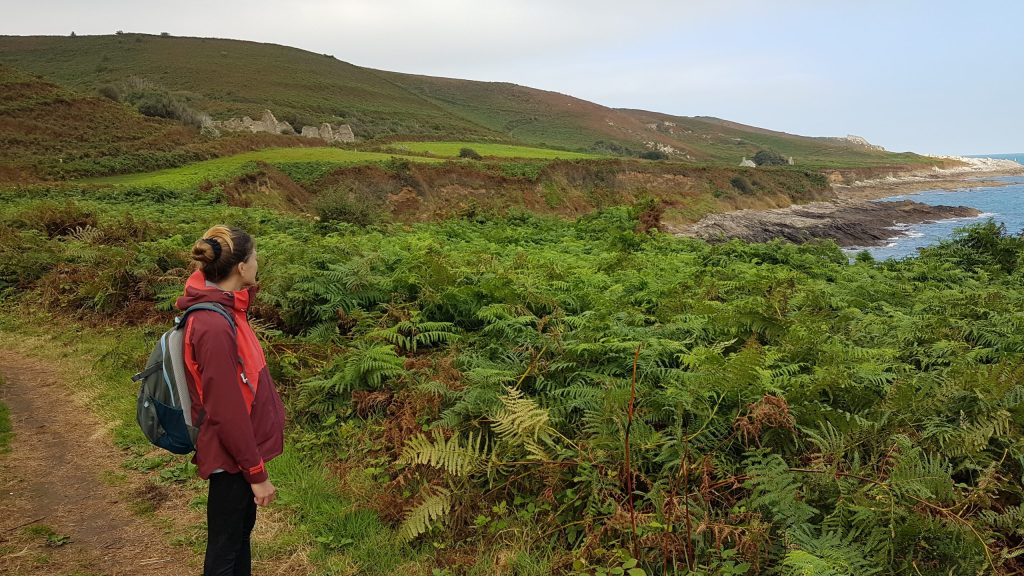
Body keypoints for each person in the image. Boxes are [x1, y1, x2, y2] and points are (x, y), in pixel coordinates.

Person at [176, 225, 286, 576]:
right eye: (254, 257)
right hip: (232, 456)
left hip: (238, 452)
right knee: (225, 550)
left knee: (237, 539)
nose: (258, 264)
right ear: (240, 267)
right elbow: (226, 409)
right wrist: (256, 473)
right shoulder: (213, 324)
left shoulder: (226, 309)